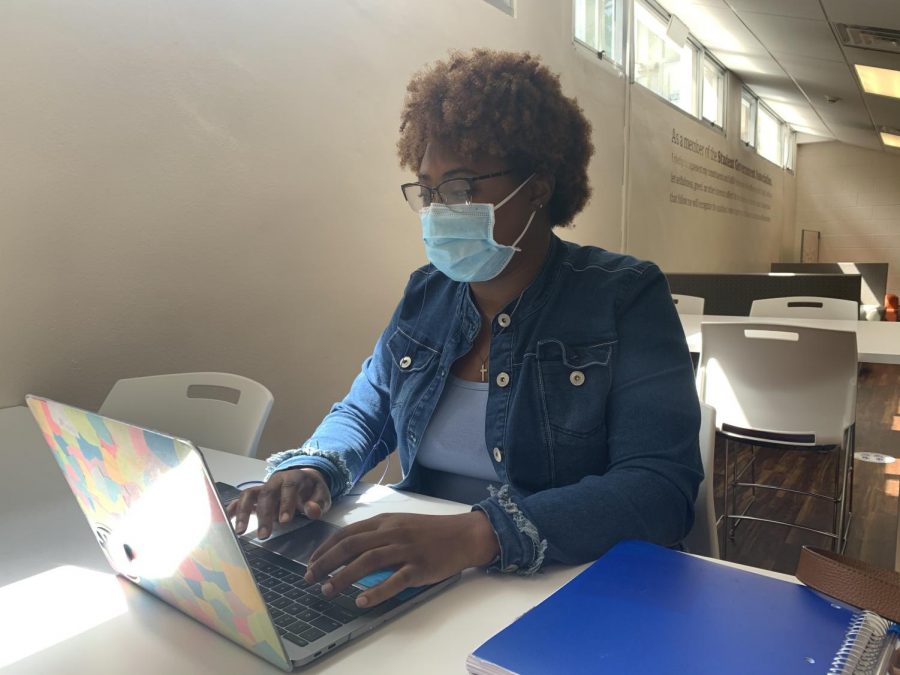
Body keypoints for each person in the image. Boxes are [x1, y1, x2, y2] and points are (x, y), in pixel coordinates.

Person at [230, 49, 703, 610]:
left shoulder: (623, 295)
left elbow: (659, 486)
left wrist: (479, 535)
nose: (437, 210)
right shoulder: (425, 293)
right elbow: (366, 408)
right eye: (427, 192)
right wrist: (315, 466)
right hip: (427, 579)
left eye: (459, 188)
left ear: (538, 186)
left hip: (568, 586)